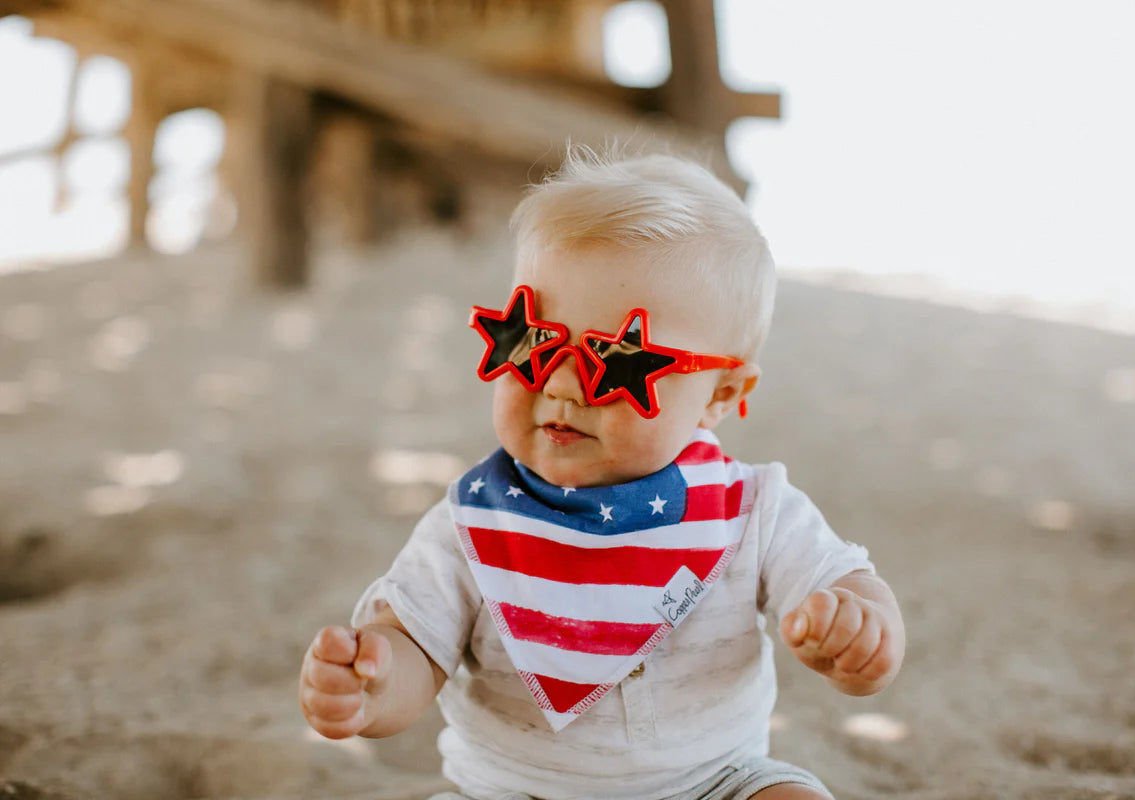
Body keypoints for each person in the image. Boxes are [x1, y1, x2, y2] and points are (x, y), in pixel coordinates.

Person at [298, 147, 905, 800]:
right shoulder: (475, 522)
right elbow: (415, 641)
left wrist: (860, 633)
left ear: (723, 393)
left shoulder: (751, 511)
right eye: (532, 342)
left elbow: (847, 581)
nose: (561, 385)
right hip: (512, 792)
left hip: (713, 784)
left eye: (618, 362)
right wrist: (373, 681)